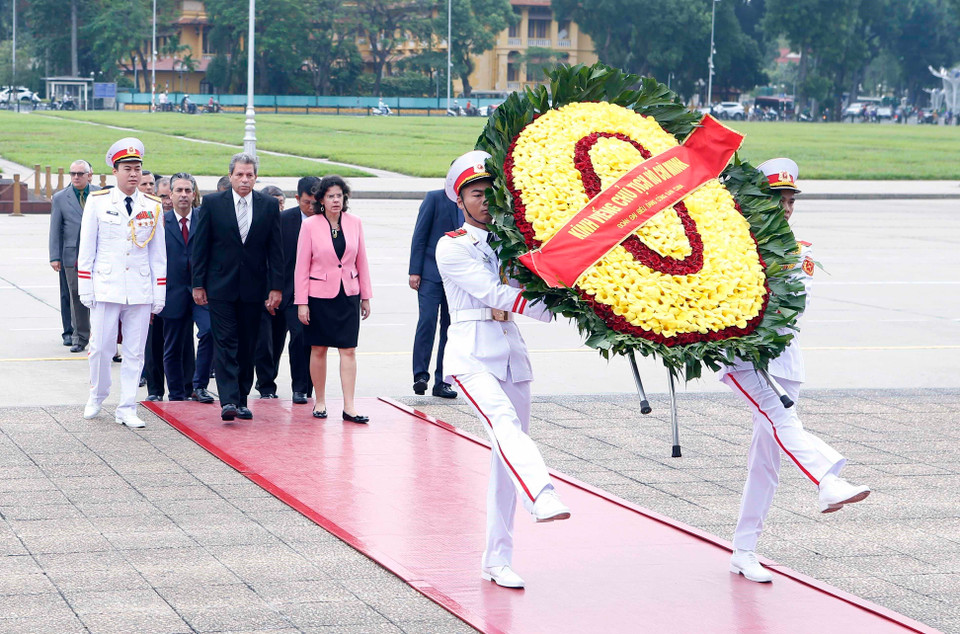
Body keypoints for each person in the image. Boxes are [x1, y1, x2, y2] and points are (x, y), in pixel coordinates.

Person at [723, 158, 871, 584]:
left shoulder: (799, 250)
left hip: (784, 360)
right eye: (777, 199)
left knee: (766, 460)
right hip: (742, 358)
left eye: (790, 201)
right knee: (781, 419)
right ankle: (826, 478)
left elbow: (791, 307)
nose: (785, 207)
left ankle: (744, 550)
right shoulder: (731, 242)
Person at [435, 151, 570, 590]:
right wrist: (549, 305)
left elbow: (534, 278)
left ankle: (497, 559)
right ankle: (542, 494)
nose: (485, 201)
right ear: (460, 199)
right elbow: (493, 291)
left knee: (506, 453)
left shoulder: (512, 241)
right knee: (505, 424)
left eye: (490, 192)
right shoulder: (452, 245)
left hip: (512, 353)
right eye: (476, 194)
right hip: (472, 356)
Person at [78, 137, 166, 429]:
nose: (133, 174)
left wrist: (159, 291)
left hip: (139, 288)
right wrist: (85, 286)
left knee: (134, 351)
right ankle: (98, 394)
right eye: (127, 168)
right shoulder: (99, 201)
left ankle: (127, 406)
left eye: (137, 168)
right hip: (106, 285)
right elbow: (87, 247)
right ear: (114, 171)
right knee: (101, 347)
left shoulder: (152, 206)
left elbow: (158, 253)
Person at [191, 153, 282, 422]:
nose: (244, 179)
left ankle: (242, 399)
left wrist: (276, 287)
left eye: (249, 175)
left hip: (254, 289)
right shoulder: (212, 203)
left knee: (248, 345)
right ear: (230, 175)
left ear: (256, 177)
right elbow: (201, 247)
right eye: (239, 174)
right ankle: (228, 400)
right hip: (220, 287)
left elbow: (276, 251)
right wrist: (198, 284)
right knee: (226, 342)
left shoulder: (267, 205)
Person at [295, 176, 372, 423]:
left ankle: (349, 406)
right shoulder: (310, 225)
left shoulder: (355, 222)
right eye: (330, 196)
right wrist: (302, 302)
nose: (336, 200)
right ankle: (319, 401)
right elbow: (301, 266)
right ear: (321, 200)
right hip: (318, 296)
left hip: (348, 293)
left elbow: (362, 261)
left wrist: (366, 296)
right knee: (318, 348)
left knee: (348, 349)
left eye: (339, 195)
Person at [255, 177, 318, 404]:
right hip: (277, 290)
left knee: (301, 339)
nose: (311, 208)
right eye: (307, 203)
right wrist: (269, 291)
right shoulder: (282, 220)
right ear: (297, 198)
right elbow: (267, 259)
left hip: (306, 294)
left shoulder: (326, 221)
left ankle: (301, 388)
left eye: (315, 203)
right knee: (269, 342)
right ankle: (265, 384)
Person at [159, 172, 215, 404]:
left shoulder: (205, 218)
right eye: (179, 190)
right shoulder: (161, 221)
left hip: (201, 291)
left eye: (188, 190)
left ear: (194, 194)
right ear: (170, 195)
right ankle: (176, 394)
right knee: (173, 345)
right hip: (172, 292)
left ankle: (199, 386)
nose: (183, 195)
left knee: (209, 332)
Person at [409, 187, 461, 398]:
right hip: (430, 273)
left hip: (458, 278)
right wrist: (415, 271)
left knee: (451, 329)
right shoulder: (434, 198)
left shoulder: (472, 201)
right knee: (427, 322)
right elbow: (419, 235)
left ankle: (443, 382)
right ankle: (421, 376)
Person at [50, 159, 98, 353]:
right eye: (73, 174)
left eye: (80, 173)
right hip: (72, 256)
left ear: (89, 175)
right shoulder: (61, 198)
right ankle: (79, 338)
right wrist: (55, 256)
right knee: (76, 296)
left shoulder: (101, 194)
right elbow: (55, 229)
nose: (76, 177)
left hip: (98, 254)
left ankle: (100, 336)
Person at [254, 184, 289, 399]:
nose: (279, 209)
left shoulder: (289, 225)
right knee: (263, 343)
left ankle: (269, 377)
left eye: (282, 204)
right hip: (261, 293)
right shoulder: (259, 226)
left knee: (277, 341)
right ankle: (266, 383)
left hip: (285, 293)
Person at [141, 172, 167, 401]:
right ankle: (155, 389)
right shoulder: (143, 218)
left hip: (175, 289)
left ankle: (183, 389)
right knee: (152, 344)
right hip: (148, 288)